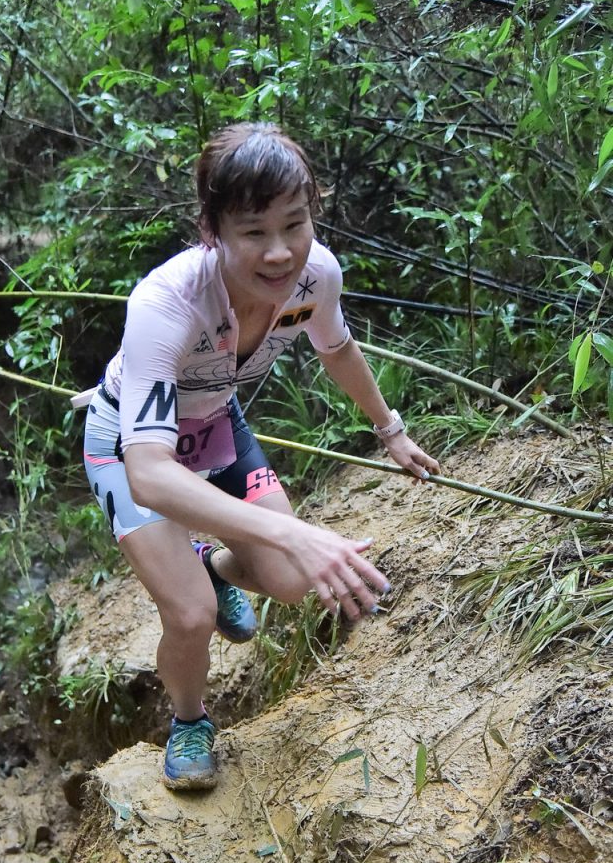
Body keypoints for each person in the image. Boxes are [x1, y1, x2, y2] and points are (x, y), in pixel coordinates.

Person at [81, 122, 440, 791]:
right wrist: (294, 530)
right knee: (191, 616)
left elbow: (336, 349)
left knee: (292, 580)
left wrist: (390, 430)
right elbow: (151, 475)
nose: (280, 254)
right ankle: (190, 722)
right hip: (130, 448)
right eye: (253, 233)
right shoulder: (169, 302)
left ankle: (214, 565)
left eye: (295, 225)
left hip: (216, 424)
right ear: (211, 229)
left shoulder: (316, 275)